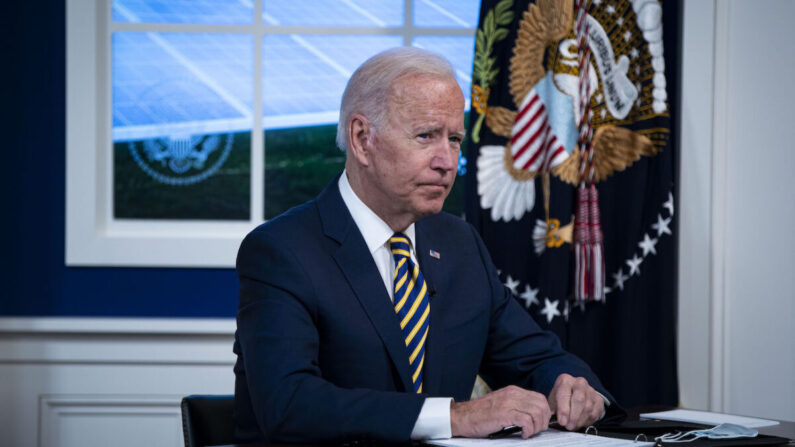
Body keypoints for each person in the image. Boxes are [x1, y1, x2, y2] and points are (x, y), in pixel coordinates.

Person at [233, 47, 622, 444]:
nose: (447, 161)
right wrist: (455, 417)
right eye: (426, 136)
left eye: (454, 139)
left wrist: (571, 386)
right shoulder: (281, 251)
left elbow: (533, 357)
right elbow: (288, 404)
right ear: (362, 138)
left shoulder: (459, 243)